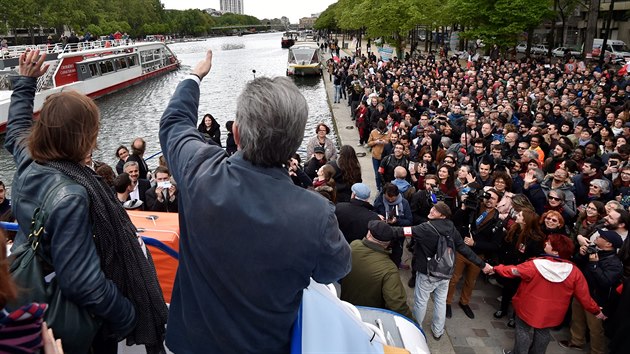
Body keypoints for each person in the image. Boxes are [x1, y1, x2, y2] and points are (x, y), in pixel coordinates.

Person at [159, 50, 351, 353]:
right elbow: (334, 270)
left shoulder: (200, 172)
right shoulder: (314, 213)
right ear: (297, 143)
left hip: (190, 343)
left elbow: (173, 123)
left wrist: (195, 77)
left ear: (236, 133)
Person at [5, 49, 166, 353]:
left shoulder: (30, 159)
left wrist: (25, 82)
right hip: (82, 329)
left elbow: (15, 129)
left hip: (38, 286)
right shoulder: (72, 197)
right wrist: (127, 314)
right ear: (85, 137)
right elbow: (82, 282)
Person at [392, 202, 493, 340]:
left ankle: (416, 329)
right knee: (440, 301)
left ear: (443, 216)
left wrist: (378, 226)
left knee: (421, 301)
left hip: (427, 273)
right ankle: (438, 331)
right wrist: (482, 265)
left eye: (436, 210)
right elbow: (463, 249)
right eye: (433, 208)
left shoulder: (425, 228)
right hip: (445, 272)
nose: (432, 210)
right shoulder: (451, 226)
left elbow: (400, 231)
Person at [495, 234, 607, 354]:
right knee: (543, 333)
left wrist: (495, 268)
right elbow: (584, 296)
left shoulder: (534, 265)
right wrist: (596, 311)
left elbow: (512, 271)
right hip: (552, 313)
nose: (545, 244)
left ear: (555, 252)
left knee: (522, 330)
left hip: (527, 308)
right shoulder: (575, 272)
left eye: (549, 244)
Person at [559, 230, 623, 354]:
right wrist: (581, 254)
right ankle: (577, 342)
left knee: (595, 328)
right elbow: (577, 264)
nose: (597, 237)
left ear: (608, 244)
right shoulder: (593, 250)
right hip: (581, 292)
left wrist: (594, 265)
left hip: (596, 299)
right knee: (577, 319)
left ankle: (597, 351)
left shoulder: (614, 263)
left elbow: (605, 282)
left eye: (601, 237)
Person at [340, 220, 414, 319]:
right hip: (370, 314)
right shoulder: (389, 269)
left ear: (369, 234)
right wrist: (412, 322)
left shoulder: (354, 244)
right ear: (387, 244)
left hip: (346, 305)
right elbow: (396, 303)